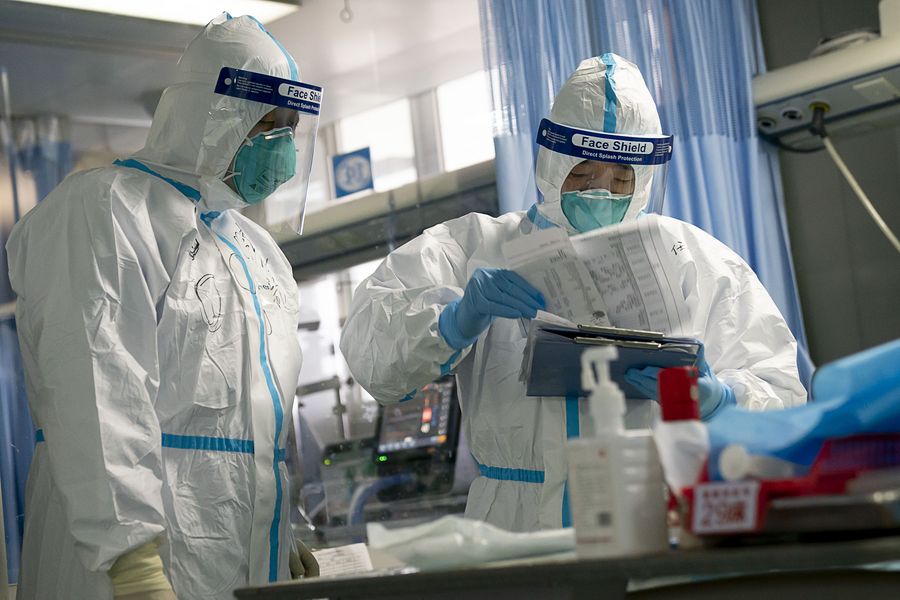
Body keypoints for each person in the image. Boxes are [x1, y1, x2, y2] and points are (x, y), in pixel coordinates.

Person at [339, 54, 807, 533]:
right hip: (516, 528)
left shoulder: (695, 261)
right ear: (553, 162)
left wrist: (722, 402)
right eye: (583, 173)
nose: (600, 191)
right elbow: (371, 355)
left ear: (644, 178)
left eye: (620, 177)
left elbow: (783, 401)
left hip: (653, 514)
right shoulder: (473, 248)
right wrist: (454, 320)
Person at [7, 14, 320, 600]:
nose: (282, 144)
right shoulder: (106, 210)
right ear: (214, 115)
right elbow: (97, 396)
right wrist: (133, 567)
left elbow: (258, 424)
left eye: (291, 127)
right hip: (131, 566)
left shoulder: (255, 251)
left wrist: (280, 527)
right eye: (267, 124)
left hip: (243, 561)